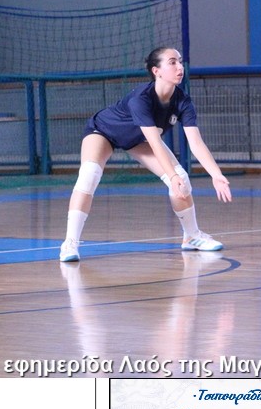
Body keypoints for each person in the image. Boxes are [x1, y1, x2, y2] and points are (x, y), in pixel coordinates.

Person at [59, 46, 232, 262]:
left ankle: (191, 236)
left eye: (180, 61)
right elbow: (155, 143)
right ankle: (70, 243)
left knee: (182, 180)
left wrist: (216, 174)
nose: (180, 67)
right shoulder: (141, 99)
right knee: (89, 174)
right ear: (156, 71)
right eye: (172, 62)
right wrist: (172, 176)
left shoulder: (183, 101)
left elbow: (196, 143)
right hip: (104, 131)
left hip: (137, 140)